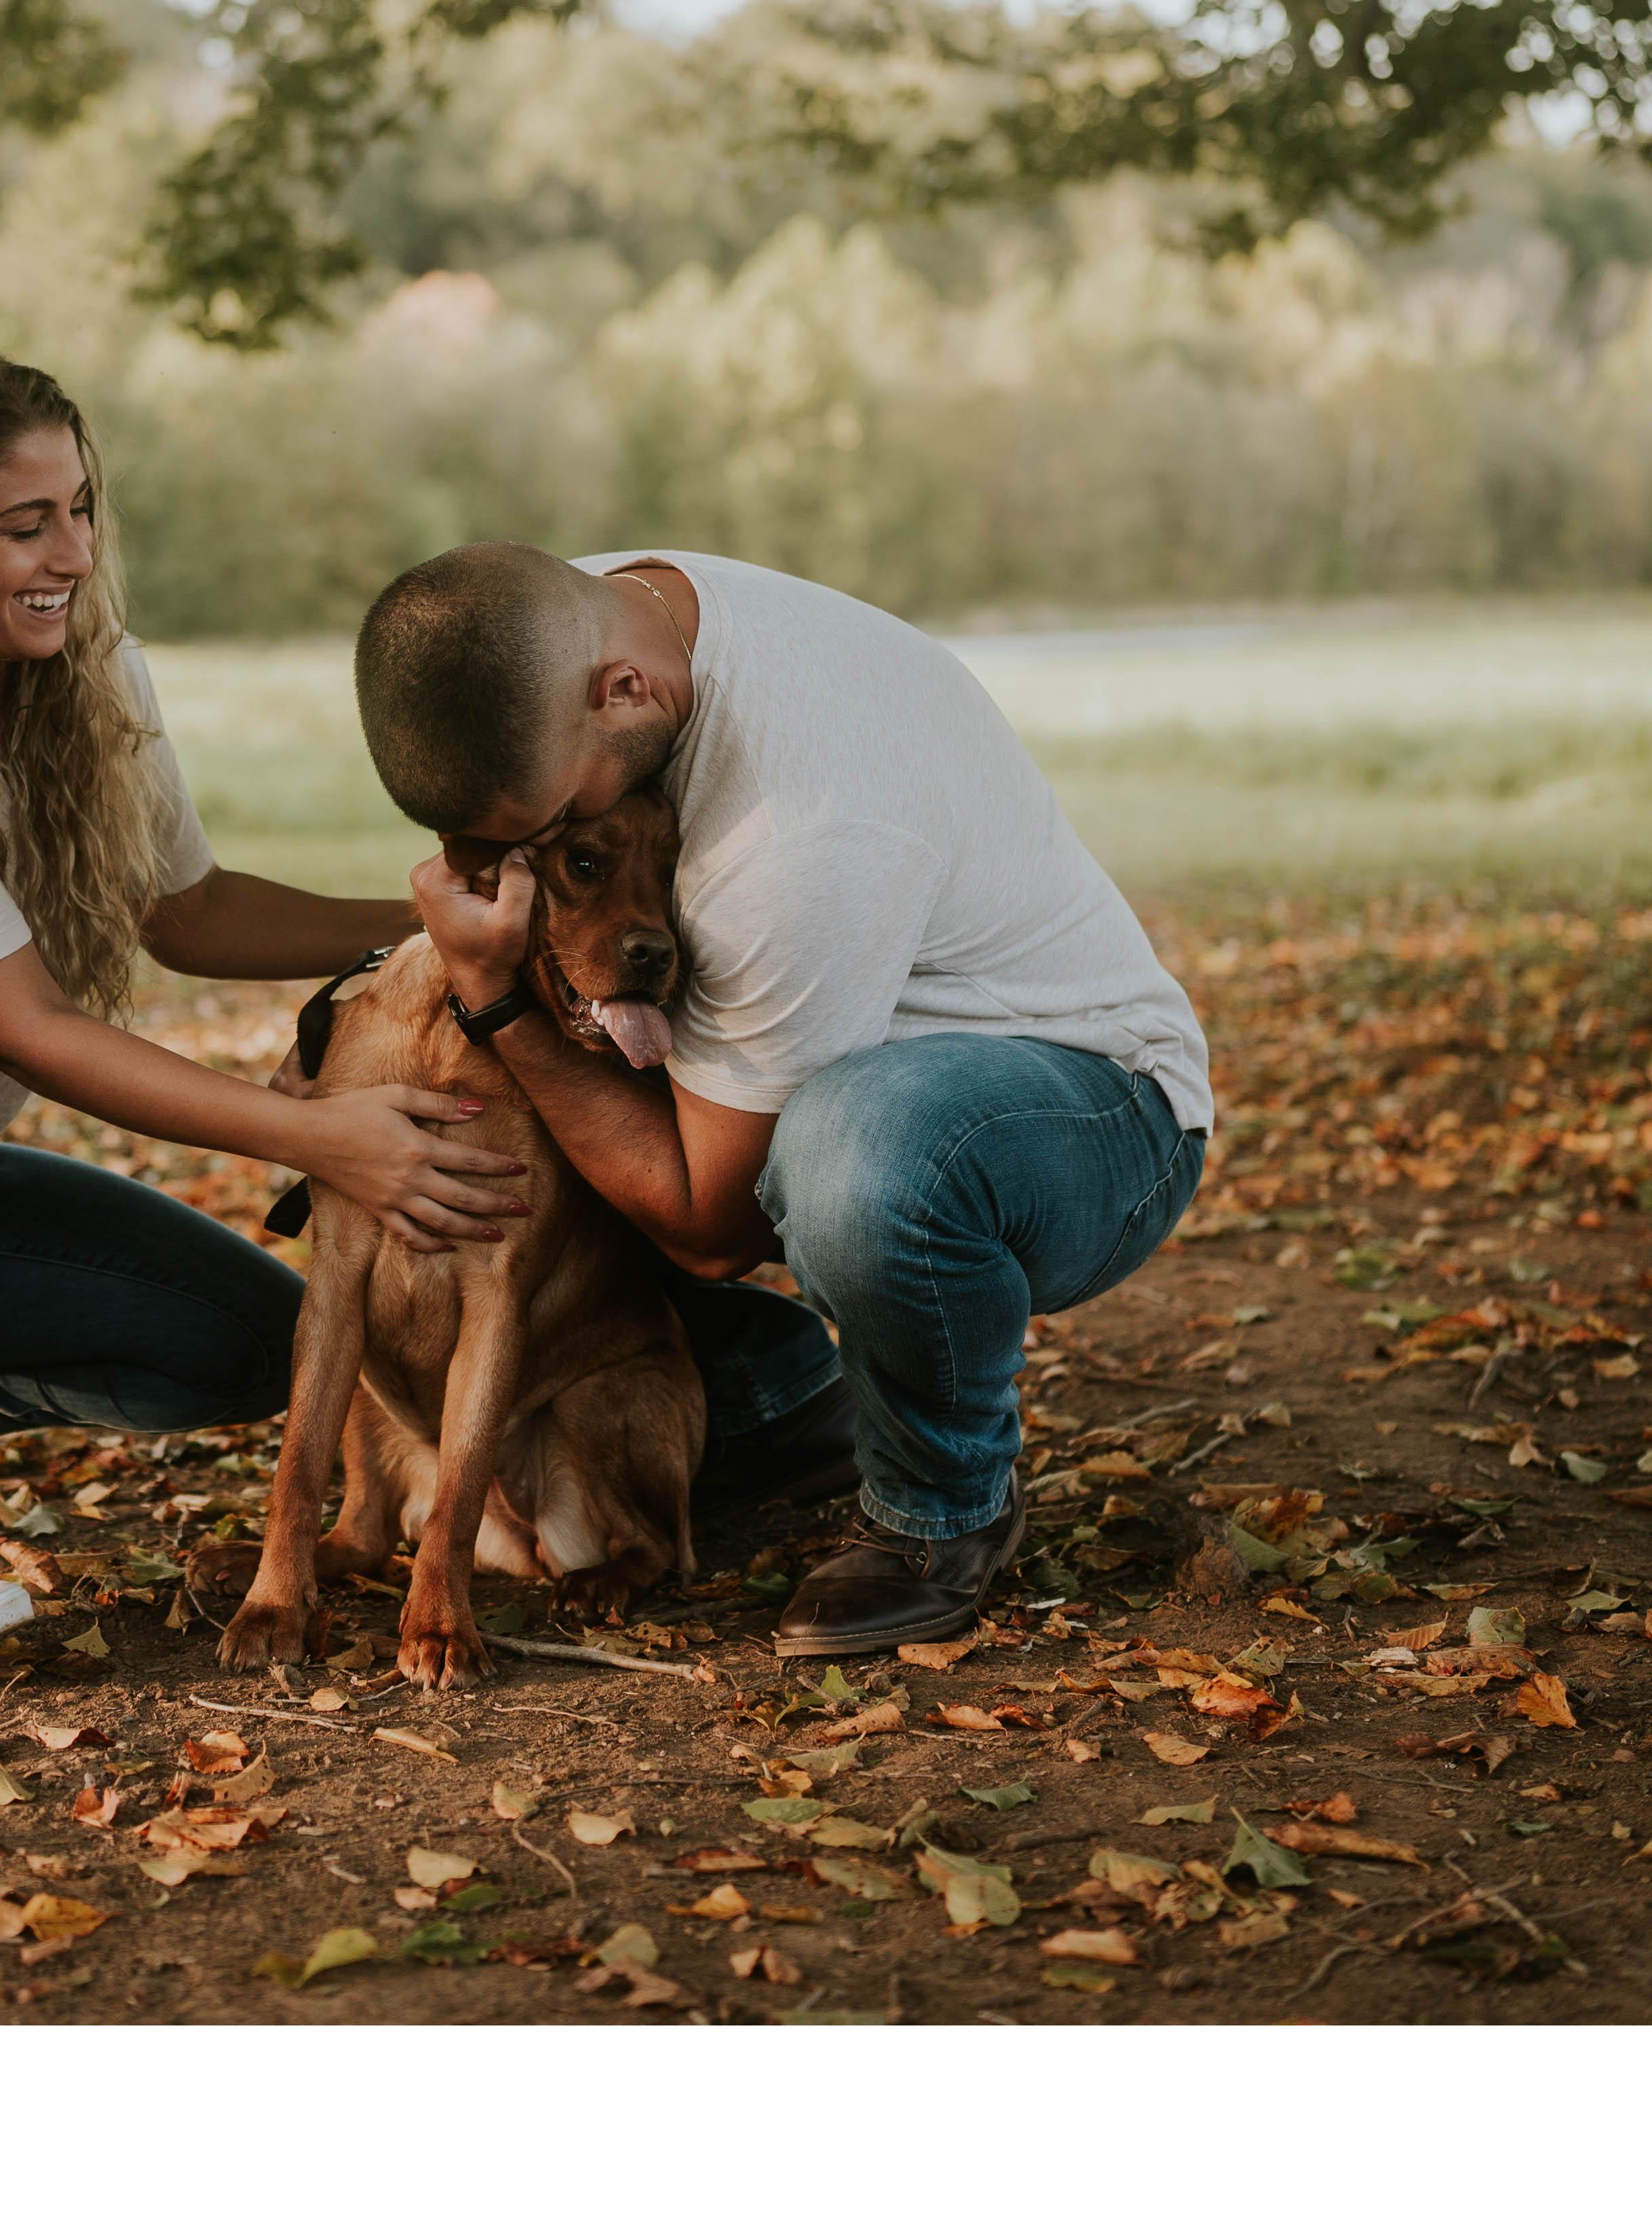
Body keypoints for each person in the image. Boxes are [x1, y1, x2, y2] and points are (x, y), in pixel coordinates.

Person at [0, 345, 846, 1682]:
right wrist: (322, 1137)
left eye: (80, 509)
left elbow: (195, 913)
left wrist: (442, 935)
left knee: (246, 1346)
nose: (72, 553)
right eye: (25, 525)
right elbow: (23, 1029)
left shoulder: (89, 679)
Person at [354, 541, 1212, 1659]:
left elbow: (711, 1228)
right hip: (834, 1073)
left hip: (1080, 1116)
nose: (514, 864)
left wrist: (497, 1004)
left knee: (857, 1155)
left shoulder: (799, 828)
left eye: (550, 823)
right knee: (509, 1110)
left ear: (627, 695)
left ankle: (941, 1507)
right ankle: (771, 1399)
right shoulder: (559, 631)